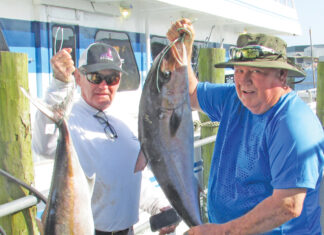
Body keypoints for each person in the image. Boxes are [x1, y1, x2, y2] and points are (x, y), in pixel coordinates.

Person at [167, 19, 324, 234]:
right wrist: (182, 50)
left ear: (282, 75)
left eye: (257, 71)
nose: (244, 81)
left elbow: (287, 206)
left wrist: (220, 232)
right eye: (239, 70)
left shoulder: (293, 124)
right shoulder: (234, 99)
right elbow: (191, 94)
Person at [32, 42, 177, 235]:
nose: (103, 86)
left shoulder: (124, 119)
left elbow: (130, 176)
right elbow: (43, 145)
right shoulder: (70, 118)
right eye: (95, 77)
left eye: (112, 78)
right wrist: (58, 86)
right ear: (78, 77)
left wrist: (156, 205)